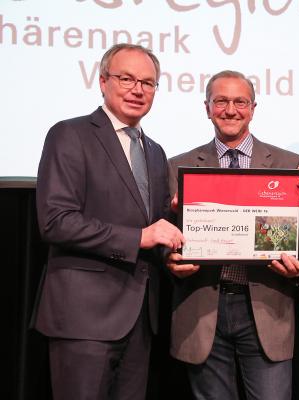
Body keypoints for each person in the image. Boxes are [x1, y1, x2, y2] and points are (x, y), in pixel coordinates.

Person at [33, 43, 185, 400]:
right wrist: (139, 238)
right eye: (127, 79)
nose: (138, 90)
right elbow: (55, 221)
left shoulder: (155, 151)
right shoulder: (70, 134)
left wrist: (173, 242)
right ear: (103, 81)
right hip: (84, 318)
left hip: (140, 319)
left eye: (148, 83)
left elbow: (155, 228)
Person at [167, 70, 299, 400]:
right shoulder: (178, 166)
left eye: (240, 101)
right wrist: (170, 259)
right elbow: (166, 236)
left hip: (266, 308)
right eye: (221, 101)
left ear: (253, 107)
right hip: (203, 310)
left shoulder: (289, 164)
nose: (230, 110)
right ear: (207, 107)